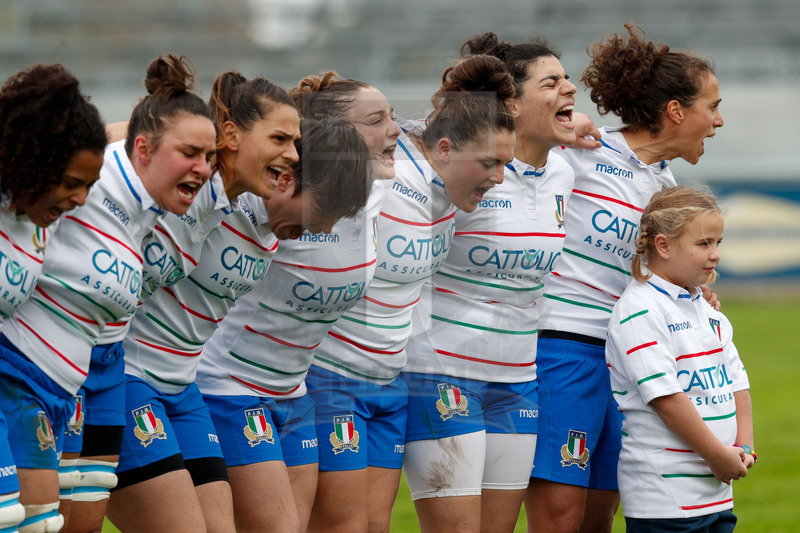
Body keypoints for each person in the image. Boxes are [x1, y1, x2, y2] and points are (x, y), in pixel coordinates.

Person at [107, 116, 372, 533]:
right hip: (129, 374)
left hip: (182, 386)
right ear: (285, 179)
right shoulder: (225, 195)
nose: (323, 230)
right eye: (321, 213)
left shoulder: (274, 224)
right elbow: (146, 135)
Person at [0, 54, 216, 533]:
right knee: (25, 522)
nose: (203, 169)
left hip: (75, 383)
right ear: (143, 148)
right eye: (190, 153)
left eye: (210, 156)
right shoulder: (92, 182)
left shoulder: (149, 204)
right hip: (20, 373)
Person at [303, 54, 516, 533]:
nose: (499, 177)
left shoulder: (440, 181)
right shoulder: (372, 181)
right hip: (332, 379)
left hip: (390, 382)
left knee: (373, 525)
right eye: (490, 163)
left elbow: (429, 126)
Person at [527, 22, 725, 533]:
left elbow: (651, 268)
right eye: (713, 106)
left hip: (627, 358)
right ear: (677, 111)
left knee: (601, 514)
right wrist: (565, 126)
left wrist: (695, 293)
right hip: (562, 349)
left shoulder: (665, 184)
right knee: (560, 515)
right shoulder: (583, 152)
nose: (719, 120)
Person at [194, 71, 400, 532]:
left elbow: (450, 140)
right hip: (231, 388)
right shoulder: (248, 201)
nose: (395, 130)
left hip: (295, 393)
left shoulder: (373, 192)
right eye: (377, 120)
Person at [401, 32, 579, 533]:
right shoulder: (461, 168)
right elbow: (409, 135)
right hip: (442, 373)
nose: (569, 87)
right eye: (552, 81)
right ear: (512, 105)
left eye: (567, 78)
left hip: (518, 380)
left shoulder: (565, 172)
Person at [605, 185, 754, 532]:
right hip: (665, 499)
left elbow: (738, 386)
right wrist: (719, 457)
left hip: (717, 493)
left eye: (718, 243)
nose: (715, 254)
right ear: (664, 246)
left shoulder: (708, 309)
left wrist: (743, 446)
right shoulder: (639, 310)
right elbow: (668, 401)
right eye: (704, 244)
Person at [0, 63, 106, 533]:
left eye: (89, 185)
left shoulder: (35, 213)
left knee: (38, 523)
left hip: (17, 390)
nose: (81, 199)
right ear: (33, 159)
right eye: (71, 183)